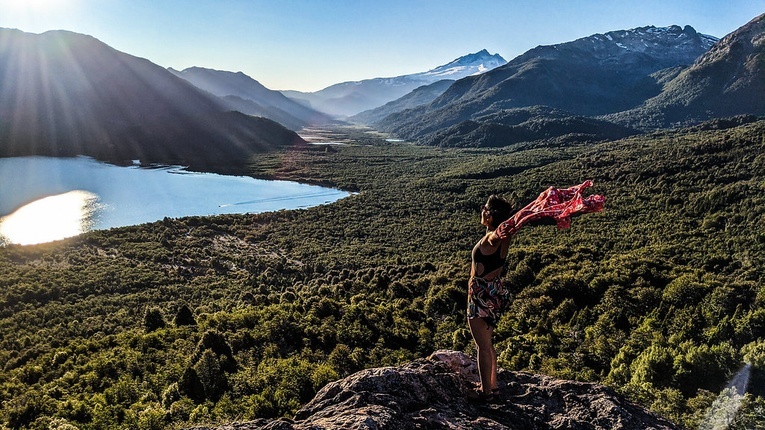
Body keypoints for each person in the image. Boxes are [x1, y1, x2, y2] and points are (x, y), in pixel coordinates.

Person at [467, 194, 513, 400]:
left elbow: (496, 236)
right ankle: (492, 386)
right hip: (493, 292)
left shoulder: (493, 238)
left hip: (481, 297)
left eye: (485, 208)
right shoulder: (504, 237)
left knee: (482, 346)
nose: (482, 210)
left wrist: (500, 228)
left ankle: (485, 393)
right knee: (487, 342)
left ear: (491, 215)